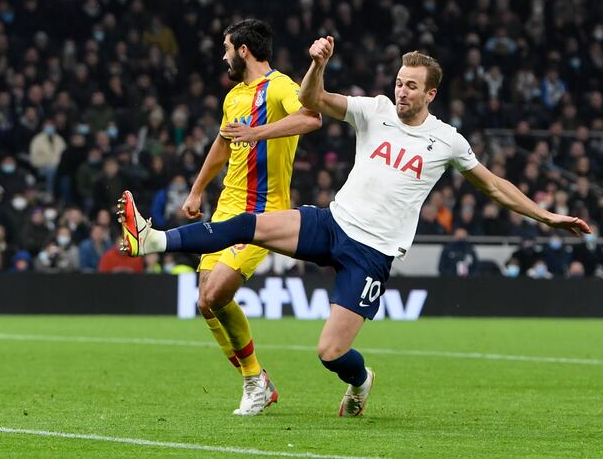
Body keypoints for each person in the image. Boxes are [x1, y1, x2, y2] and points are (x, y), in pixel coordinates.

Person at [117, 37, 590, 418]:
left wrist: (546, 216)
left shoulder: (447, 140)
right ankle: (155, 239)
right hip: (333, 223)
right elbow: (311, 101)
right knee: (245, 224)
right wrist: (318, 64)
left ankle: (361, 382)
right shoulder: (375, 109)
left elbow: (494, 186)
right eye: (400, 82)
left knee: (329, 352)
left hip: (371, 254)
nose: (402, 91)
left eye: (412, 86)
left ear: (430, 94)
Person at [172, 18, 321, 416]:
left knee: (217, 294)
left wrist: (259, 133)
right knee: (205, 303)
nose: (222, 56)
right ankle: (257, 381)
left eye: (226, 48)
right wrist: (197, 189)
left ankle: (255, 381)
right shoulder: (234, 97)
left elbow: (311, 118)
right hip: (227, 207)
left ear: (243, 50)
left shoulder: (281, 86)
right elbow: (222, 144)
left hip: (263, 213)